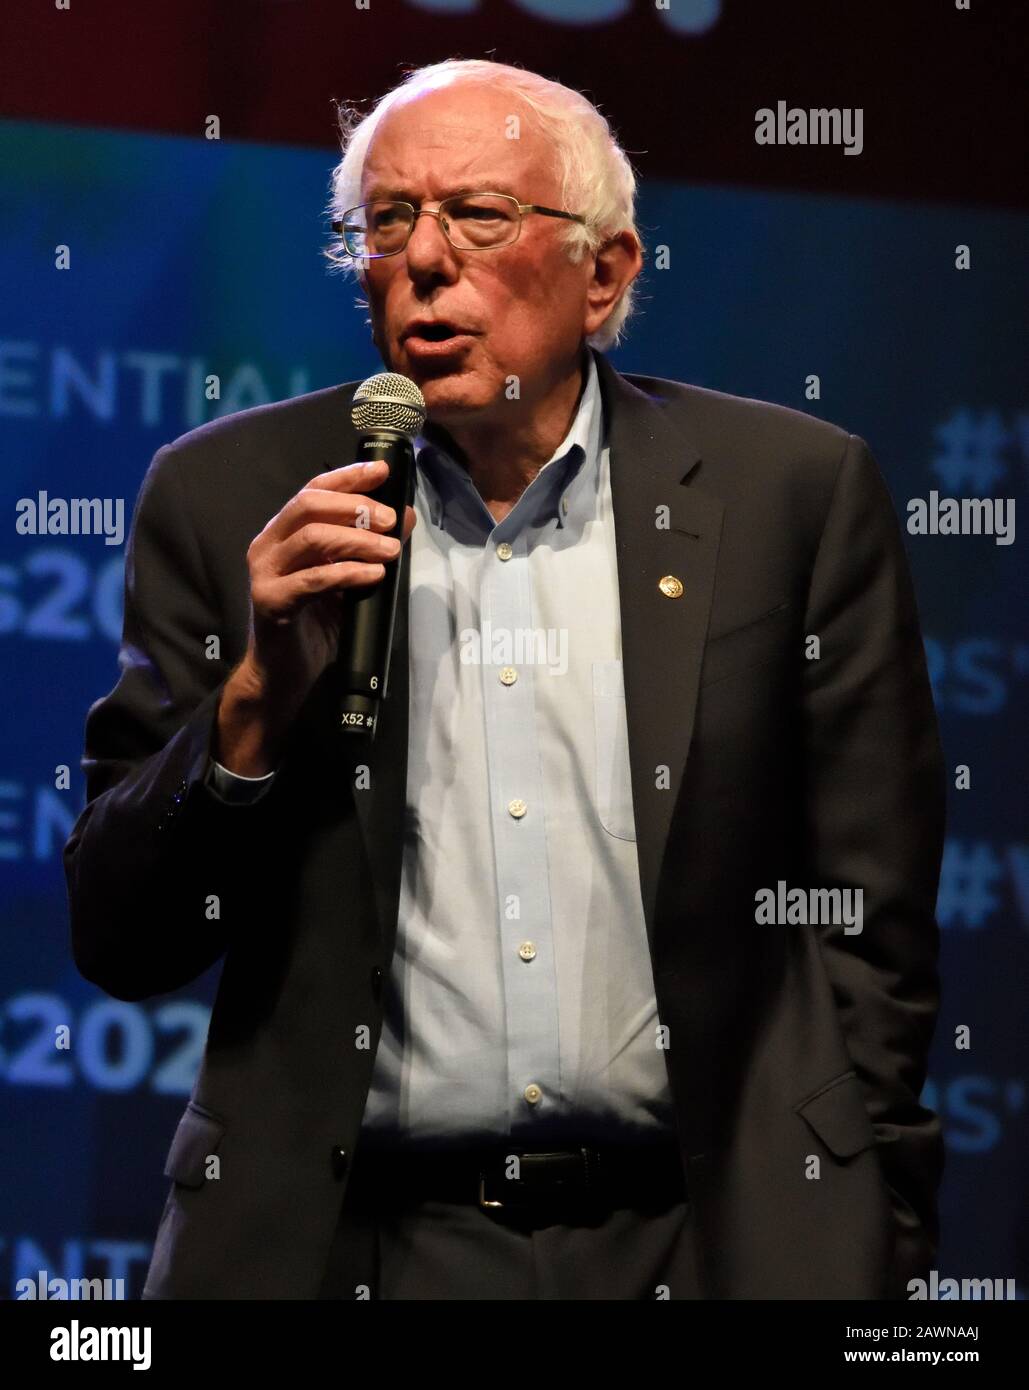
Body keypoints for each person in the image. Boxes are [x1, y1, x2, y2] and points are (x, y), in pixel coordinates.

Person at [64, 58, 946, 1300]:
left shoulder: (788, 493)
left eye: (480, 216)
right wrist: (255, 703)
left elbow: (876, 914)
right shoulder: (228, 498)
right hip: (352, 1242)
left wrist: (872, 1224)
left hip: (708, 1239)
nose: (425, 259)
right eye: (387, 220)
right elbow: (121, 935)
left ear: (607, 272)